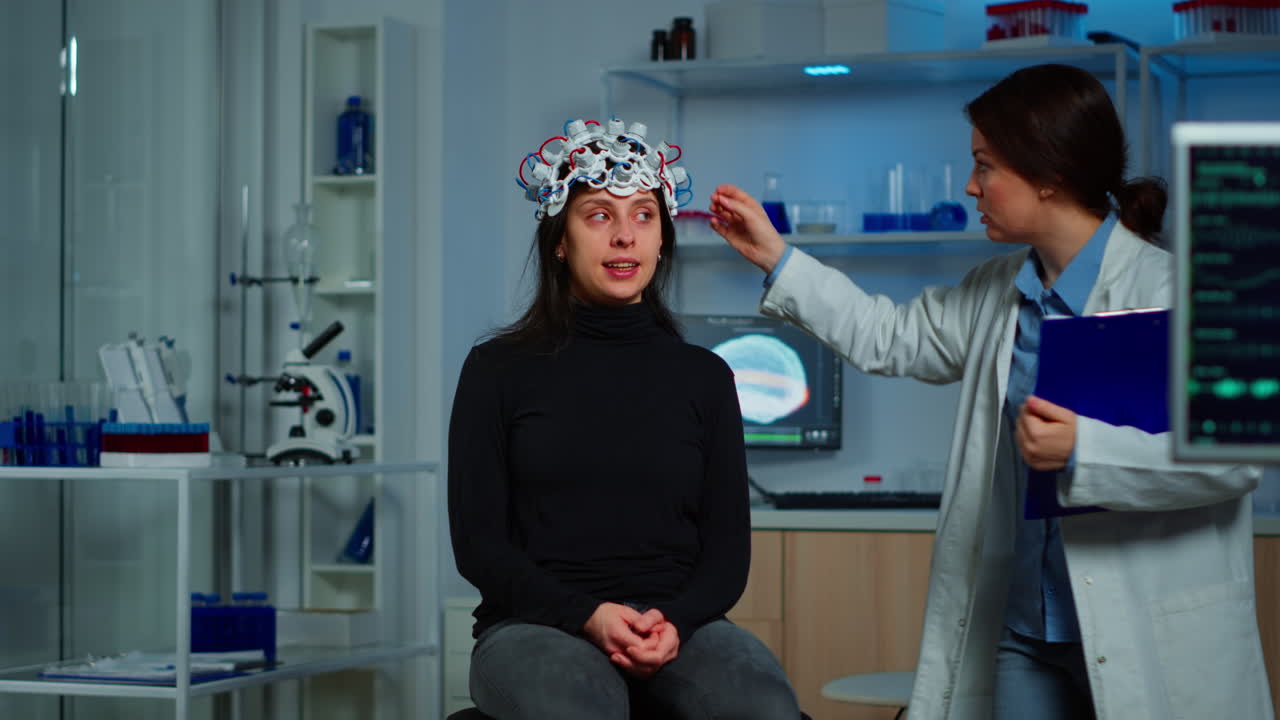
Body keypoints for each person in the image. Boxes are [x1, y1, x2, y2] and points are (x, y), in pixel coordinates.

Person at [709, 64, 1270, 720]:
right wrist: (778, 258)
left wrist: (1086, 451)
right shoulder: (997, 291)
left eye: (985, 166)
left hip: (1145, 631)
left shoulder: (1178, 293)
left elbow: (1235, 457)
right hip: (1024, 632)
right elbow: (890, 337)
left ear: (1048, 174)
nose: (971, 186)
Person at [447, 118, 802, 720]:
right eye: (598, 216)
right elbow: (480, 546)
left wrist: (677, 622)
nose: (624, 238)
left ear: (662, 239)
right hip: (536, 623)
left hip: (677, 625)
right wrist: (588, 615)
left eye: (643, 215)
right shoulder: (496, 369)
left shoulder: (704, 378)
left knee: (762, 706)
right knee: (580, 707)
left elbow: (727, 555)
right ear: (560, 240)